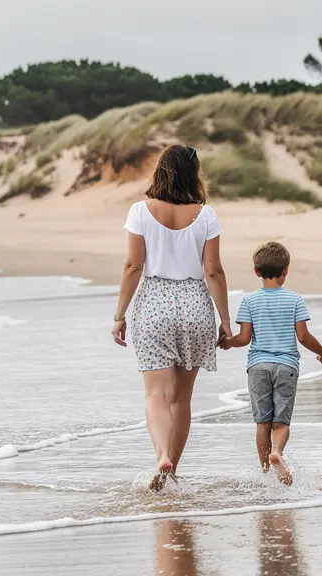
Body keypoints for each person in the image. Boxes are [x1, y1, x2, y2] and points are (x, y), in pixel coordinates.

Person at [111, 144, 232, 492]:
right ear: (193, 174)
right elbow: (214, 271)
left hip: (154, 306)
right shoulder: (206, 215)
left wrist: (120, 315)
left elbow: (133, 266)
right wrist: (225, 320)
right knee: (181, 398)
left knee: (155, 395)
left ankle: (162, 455)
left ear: (161, 170)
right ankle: (172, 470)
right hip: (196, 305)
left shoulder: (139, 211)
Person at [219, 241, 322, 485]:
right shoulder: (294, 300)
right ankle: (277, 453)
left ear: (256, 272)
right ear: (286, 271)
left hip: (258, 367)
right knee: (281, 422)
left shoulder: (249, 301)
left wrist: (227, 342)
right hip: (287, 367)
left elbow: (244, 338)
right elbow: (303, 337)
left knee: (263, 422)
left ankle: (266, 475)